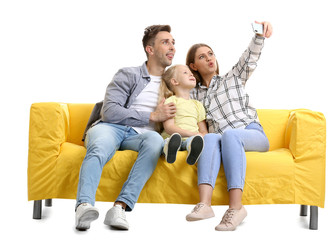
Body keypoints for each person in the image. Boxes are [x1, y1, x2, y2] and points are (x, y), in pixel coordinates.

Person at [75, 24, 177, 231]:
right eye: (165, 42)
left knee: (156, 140)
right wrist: (151, 116)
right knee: (100, 146)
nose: (172, 47)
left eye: (173, 42)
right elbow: (110, 112)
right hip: (111, 127)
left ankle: (119, 208)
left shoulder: (173, 82)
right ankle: (84, 207)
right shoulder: (129, 74)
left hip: (142, 136)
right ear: (150, 49)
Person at [185, 21, 273, 231]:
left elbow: (249, 59)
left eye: (211, 54)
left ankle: (236, 207)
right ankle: (205, 204)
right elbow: (176, 95)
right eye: (202, 57)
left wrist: (259, 36)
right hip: (224, 141)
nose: (209, 59)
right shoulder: (194, 95)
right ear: (193, 66)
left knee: (230, 135)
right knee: (211, 137)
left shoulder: (231, 78)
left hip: (251, 133)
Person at [159, 65, 208, 165]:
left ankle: (193, 154)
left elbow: (203, 131)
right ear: (175, 81)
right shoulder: (171, 101)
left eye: (191, 72)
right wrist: (193, 134)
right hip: (172, 137)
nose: (191, 74)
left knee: (192, 142)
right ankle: (170, 150)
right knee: (171, 140)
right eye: (185, 73)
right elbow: (169, 127)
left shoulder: (198, 105)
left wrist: (200, 136)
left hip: (191, 139)